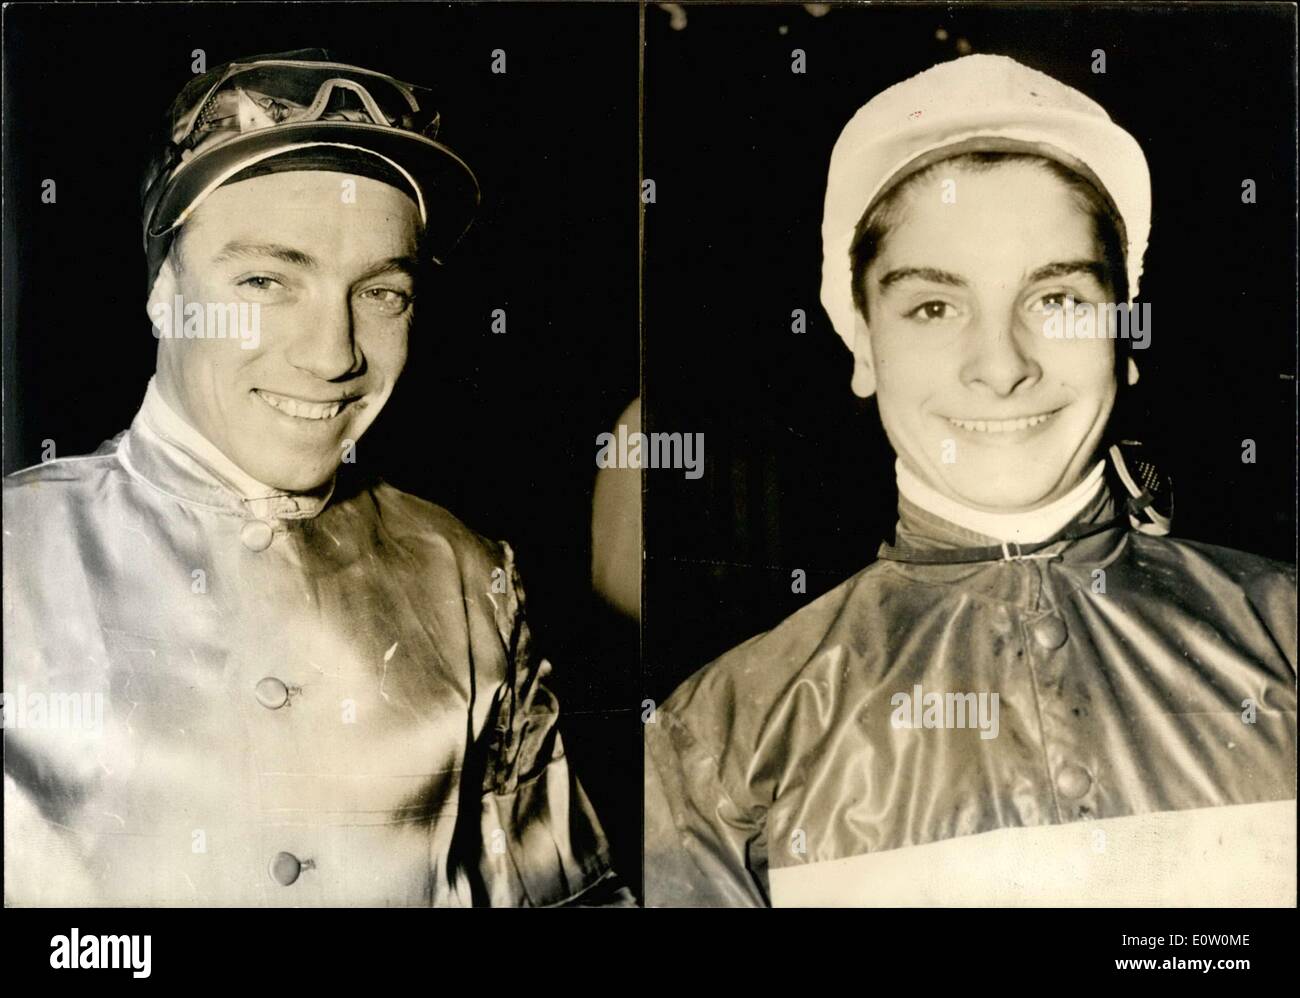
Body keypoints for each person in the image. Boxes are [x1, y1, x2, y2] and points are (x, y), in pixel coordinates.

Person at [643, 54, 1296, 907]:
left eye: (1057, 299)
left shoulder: (1281, 635)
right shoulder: (719, 742)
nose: (1000, 366)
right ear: (863, 347)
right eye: (934, 307)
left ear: (1125, 337)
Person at [3, 49, 626, 906]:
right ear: (162, 291)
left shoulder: (469, 575)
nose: (332, 355)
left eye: (382, 294)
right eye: (265, 280)